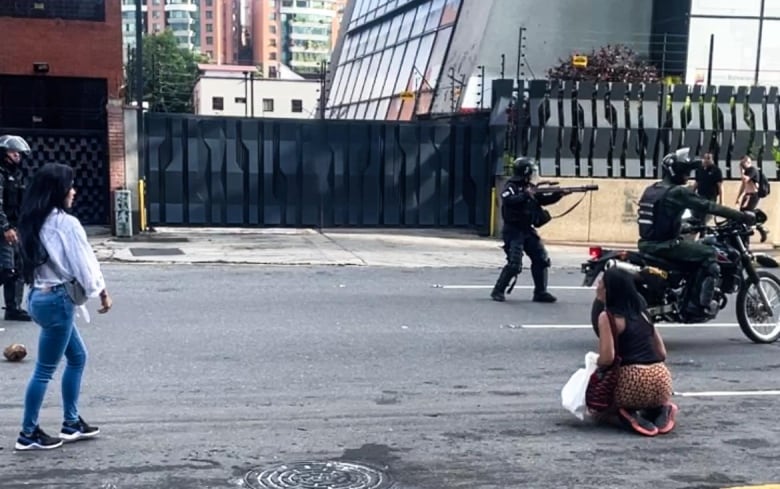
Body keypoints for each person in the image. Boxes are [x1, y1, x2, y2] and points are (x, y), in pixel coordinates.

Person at [14, 163, 113, 451]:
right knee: (44, 371)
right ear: (57, 191)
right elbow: (84, 266)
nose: (74, 190)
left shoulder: (32, 220)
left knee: (78, 357)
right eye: (70, 185)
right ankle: (27, 433)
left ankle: (71, 422)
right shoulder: (65, 223)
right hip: (57, 301)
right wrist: (102, 292)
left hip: (38, 297)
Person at [636, 148, 755, 318]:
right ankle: (697, 306)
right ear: (675, 171)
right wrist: (742, 216)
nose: (688, 174)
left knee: (695, 248)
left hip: (646, 244)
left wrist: (684, 226)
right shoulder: (677, 192)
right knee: (709, 254)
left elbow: (659, 220)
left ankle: (682, 294)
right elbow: (708, 206)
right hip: (665, 246)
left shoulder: (652, 189)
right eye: (685, 170)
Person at [593, 267, 676, 436]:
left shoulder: (607, 317)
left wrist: (595, 366)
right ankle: (660, 409)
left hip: (632, 381)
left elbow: (607, 358)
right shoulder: (644, 313)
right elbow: (662, 353)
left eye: (601, 283)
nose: (597, 286)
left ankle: (625, 414)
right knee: (648, 396)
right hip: (662, 381)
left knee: (597, 408)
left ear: (610, 290)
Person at [490, 157, 569, 303]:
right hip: (513, 231)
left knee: (541, 259)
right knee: (514, 264)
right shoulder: (512, 186)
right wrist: (525, 195)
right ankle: (498, 290)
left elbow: (542, 200)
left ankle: (540, 292)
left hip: (527, 229)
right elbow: (508, 199)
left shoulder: (530, 187)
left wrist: (558, 195)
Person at [0, 135, 32, 321]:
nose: (17, 156)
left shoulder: (18, 175)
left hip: (15, 227)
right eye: (13, 152)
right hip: (4, 229)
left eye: (19, 153)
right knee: (6, 269)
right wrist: (5, 227)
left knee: (18, 268)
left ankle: (13, 308)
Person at [691, 151, 722, 225]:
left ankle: (703, 232)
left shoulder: (716, 170)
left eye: (708, 158)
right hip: (700, 195)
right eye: (705, 158)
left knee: (703, 215)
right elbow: (697, 183)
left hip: (710, 197)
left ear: (712, 160)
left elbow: (720, 186)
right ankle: (697, 228)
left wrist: (721, 200)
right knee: (695, 213)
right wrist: (691, 193)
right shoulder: (699, 170)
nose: (706, 160)